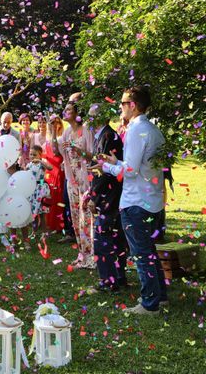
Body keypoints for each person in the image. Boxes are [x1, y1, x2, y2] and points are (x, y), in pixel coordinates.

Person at [100, 86, 168, 314]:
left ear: (133, 105)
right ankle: (161, 297)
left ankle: (150, 304)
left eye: (122, 103)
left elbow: (129, 171)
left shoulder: (137, 130)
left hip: (136, 201)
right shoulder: (154, 130)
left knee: (142, 254)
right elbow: (139, 167)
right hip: (152, 200)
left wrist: (106, 166)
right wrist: (115, 161)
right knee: (149, 250)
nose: (120, 107)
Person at [85, 103, 126, 292]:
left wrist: (94, 196)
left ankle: (109, 281)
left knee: (103, 238)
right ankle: (119, 277)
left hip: (109, 195)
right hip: (110, 194)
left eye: (93, 116)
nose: (89, 119)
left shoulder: (108, 136)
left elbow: (103, 171)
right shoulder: (103, 135)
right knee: (114, 236)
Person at [56, 102, 95, 269]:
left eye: (69, 109)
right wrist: (53, 131)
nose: (65, 112)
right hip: (71, 179)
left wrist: (78, 150)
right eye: (64, 109)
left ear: (77, 113)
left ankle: (92, 255)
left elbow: (92, 155)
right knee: (75, 216)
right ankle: (82, 253)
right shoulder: (66, 132)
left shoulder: (85, 130)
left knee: (86, 217)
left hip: (84, 177)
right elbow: (58, 152)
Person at [42, 116, 66, 232]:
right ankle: (49, 223)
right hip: (49, 172)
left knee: (58, 196)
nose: (55, 125)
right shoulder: (46, 140)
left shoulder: (61, 138)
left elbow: (55, 151)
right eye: (52, 123)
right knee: (49, 196)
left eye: (57, 123)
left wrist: (54, 132)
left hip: (59, 171)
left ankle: (59, 224)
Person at [26, 145, 52, 235]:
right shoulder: (29, 165)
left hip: (40, 189)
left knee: (42, 212)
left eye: (34, 155)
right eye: (30, 154)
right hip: (32, 189)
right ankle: (34, 230)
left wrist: (40, 161)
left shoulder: (42, 164)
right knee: (34, 212)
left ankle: (44, 231)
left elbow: (50, 168)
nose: (32, 156)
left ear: (40, 155)